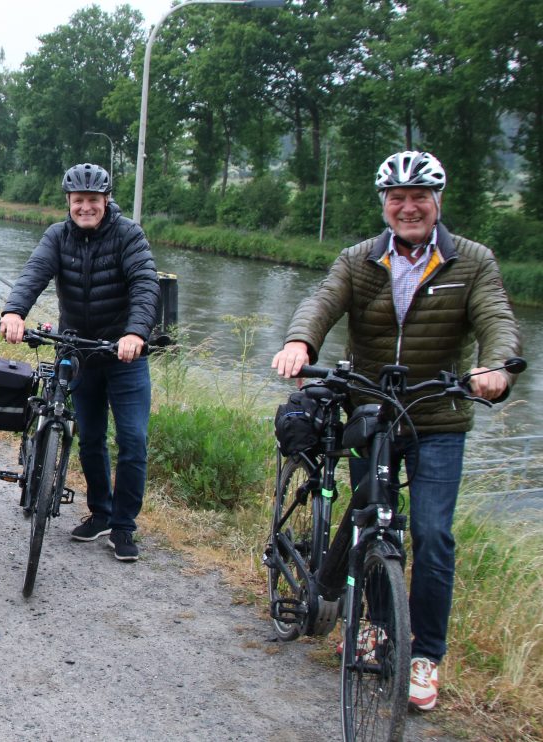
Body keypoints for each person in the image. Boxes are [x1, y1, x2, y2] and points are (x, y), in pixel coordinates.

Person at [271, 150, 521, 712]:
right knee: (369, 526)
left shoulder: (473, 262)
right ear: (384, 205)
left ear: (438, 202)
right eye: (397, 198)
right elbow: (321, 301)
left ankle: (424, 656)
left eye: (420, 197)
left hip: (437, 419)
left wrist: (495, 366)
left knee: (432, 537)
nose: (409, 207)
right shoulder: (359, 260)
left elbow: (497, 320)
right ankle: (375, 628)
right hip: (373, 415)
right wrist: (299, 341)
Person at [0, 163, 160, 562]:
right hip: (77, 349)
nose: (85, 207)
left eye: (93, 200)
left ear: (106, 200)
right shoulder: (57, 236)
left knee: (133, 440)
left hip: (123, 352)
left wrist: (136, 333)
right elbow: (34, 273)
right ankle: (101, 513)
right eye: (78, 201)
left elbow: (145, 283)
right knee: (88, 437)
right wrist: (14, 312)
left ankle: (123, 527)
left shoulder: (128, 234)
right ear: (68, 202)